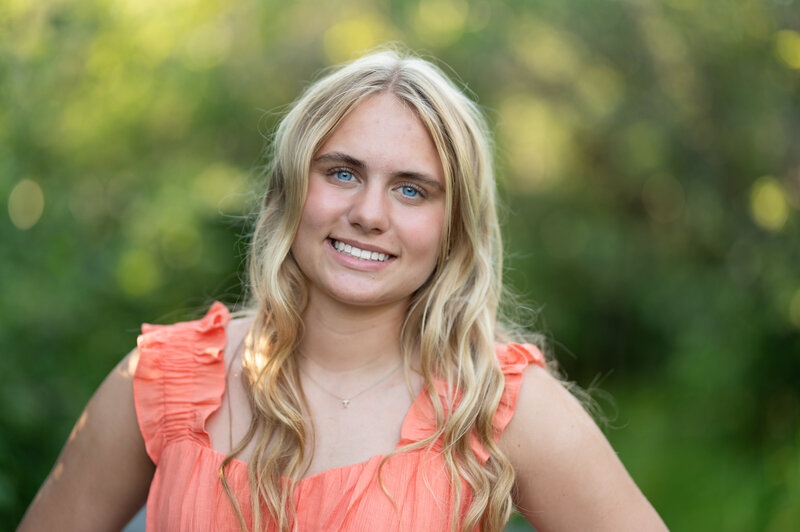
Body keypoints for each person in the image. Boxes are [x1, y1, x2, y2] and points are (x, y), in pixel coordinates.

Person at [19, 49, 667, 531]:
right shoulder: (164, 380)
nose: (370, 212)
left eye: (412, 188)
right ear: (293, 186)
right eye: (342, 172)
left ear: (454, 225)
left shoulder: (496, 402)